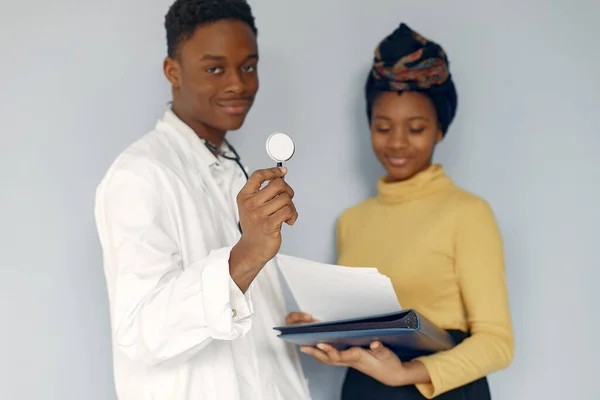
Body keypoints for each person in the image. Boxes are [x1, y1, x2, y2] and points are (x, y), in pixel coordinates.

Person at [93, 1, 311, 399]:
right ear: (172, 72)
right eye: (215, 69)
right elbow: (142, 335)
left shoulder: (232, 170)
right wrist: (246, 254)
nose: (238, 84)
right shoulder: (138, 177)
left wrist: (297, 328)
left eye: (248, 66)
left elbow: (238, 322)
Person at [295, 23, 514, 399]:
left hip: (440, 388)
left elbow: (498, 343)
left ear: (439, 130)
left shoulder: (468, 213)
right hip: (364, 389)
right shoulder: (352, 221)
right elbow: (360, 330)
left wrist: (407, 373)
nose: (396, 143)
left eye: (415, 129)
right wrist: (319, 330)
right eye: (382, 127)